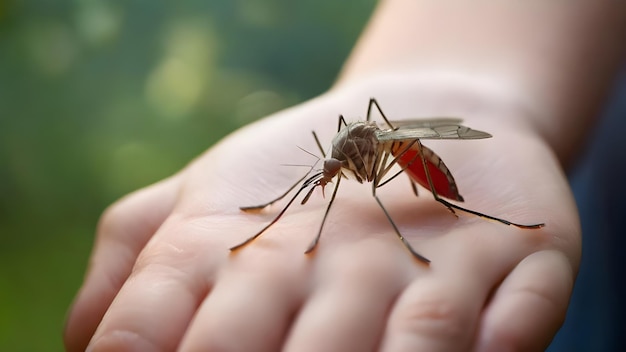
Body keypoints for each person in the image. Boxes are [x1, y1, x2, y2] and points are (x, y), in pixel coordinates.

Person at [64, 0, 626, 351]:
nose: (328, 177)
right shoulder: (337, 157)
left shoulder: (371, 159)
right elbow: (330, 167)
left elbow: (361, 166)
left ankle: (481, 216)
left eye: (331, 170)